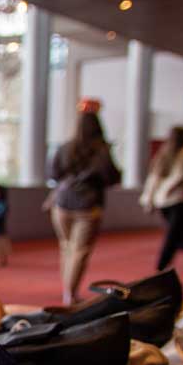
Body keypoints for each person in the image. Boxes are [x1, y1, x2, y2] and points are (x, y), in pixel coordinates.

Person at [46, 111, 121, 304]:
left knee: (66, 247)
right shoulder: (101, 150)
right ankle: (70, 294)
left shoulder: (64, 147)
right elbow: (111, 176)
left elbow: (54, 173)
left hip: (62, 203)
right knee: (80, 250)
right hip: (88, 205)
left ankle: (67, 290)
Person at [140, 126, 183, 271]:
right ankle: (162, 267)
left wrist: (148, 200)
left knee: (172, 234)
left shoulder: (163, 154)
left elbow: (153, 179)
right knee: (173, 236)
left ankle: (164, 266)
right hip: (179, 199)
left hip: (162, 200)